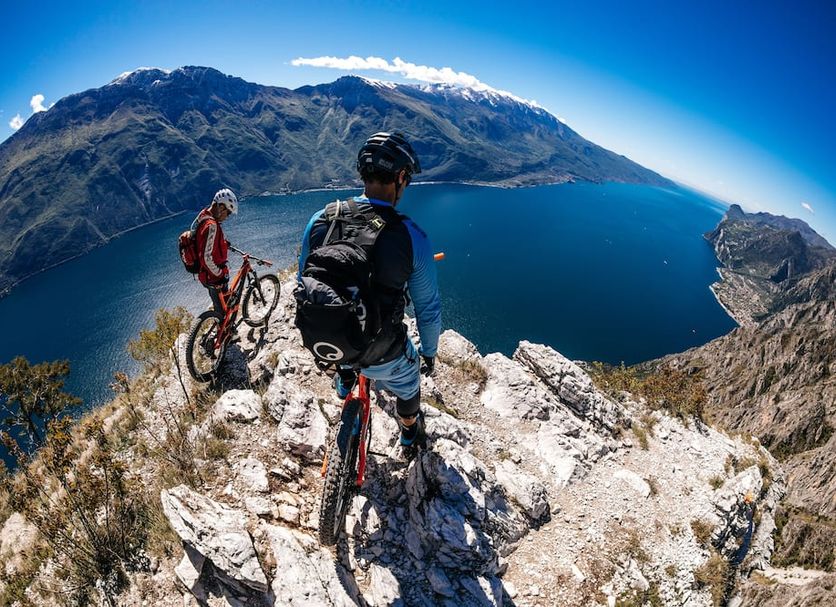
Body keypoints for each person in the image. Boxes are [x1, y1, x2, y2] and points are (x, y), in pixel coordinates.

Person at [297, 132, 441, 449]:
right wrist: (429, 353)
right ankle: (409, 431)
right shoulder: (411, 236)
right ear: (400, 177)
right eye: (407, 178)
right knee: (410, 381)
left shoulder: (321, 219)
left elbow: (302, 280)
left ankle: (344, 378)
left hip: (326, 333)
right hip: (384, 351)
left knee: (344, 335)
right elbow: (428, 309)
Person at [195, 188, 238, 313]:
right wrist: (220, 274)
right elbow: (206, 258)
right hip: (214, 277)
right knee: (223, 312)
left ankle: (222, 321)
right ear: (221, 207)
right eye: (228, 212)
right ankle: (223, 325)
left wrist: (224, 244)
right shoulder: (212, 225)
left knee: (222, 306)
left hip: (206, 274)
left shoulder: (204, 216)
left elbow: (206, 242)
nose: (227, 216)